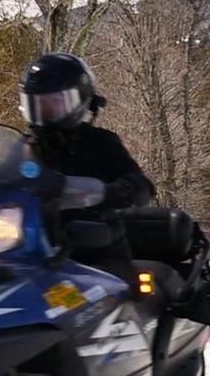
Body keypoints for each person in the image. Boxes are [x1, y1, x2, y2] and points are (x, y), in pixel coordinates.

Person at [20, 52, 155, 287]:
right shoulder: (22, 149)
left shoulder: (100, 143)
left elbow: (142, 185)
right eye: (37, 105)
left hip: (96, 256)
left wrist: (119, 190)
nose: (45, 111)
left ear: (78, 101)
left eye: (54, 104)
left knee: (65, 304)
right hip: (32, 254)